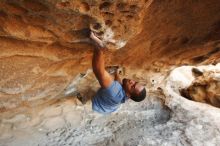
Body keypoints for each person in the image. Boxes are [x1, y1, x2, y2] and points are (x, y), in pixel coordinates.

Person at [90, 32, 146, 114]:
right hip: (109, 107)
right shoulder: (127, 93)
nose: (132, 82)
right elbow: (120, 84)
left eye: (133, 86)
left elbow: (98, 71)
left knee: (86, 93)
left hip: (98, 106)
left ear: (129, 94)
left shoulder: (115, 92)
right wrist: (116, 72)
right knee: (109, 88)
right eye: (135, 82)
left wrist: (99, 48)